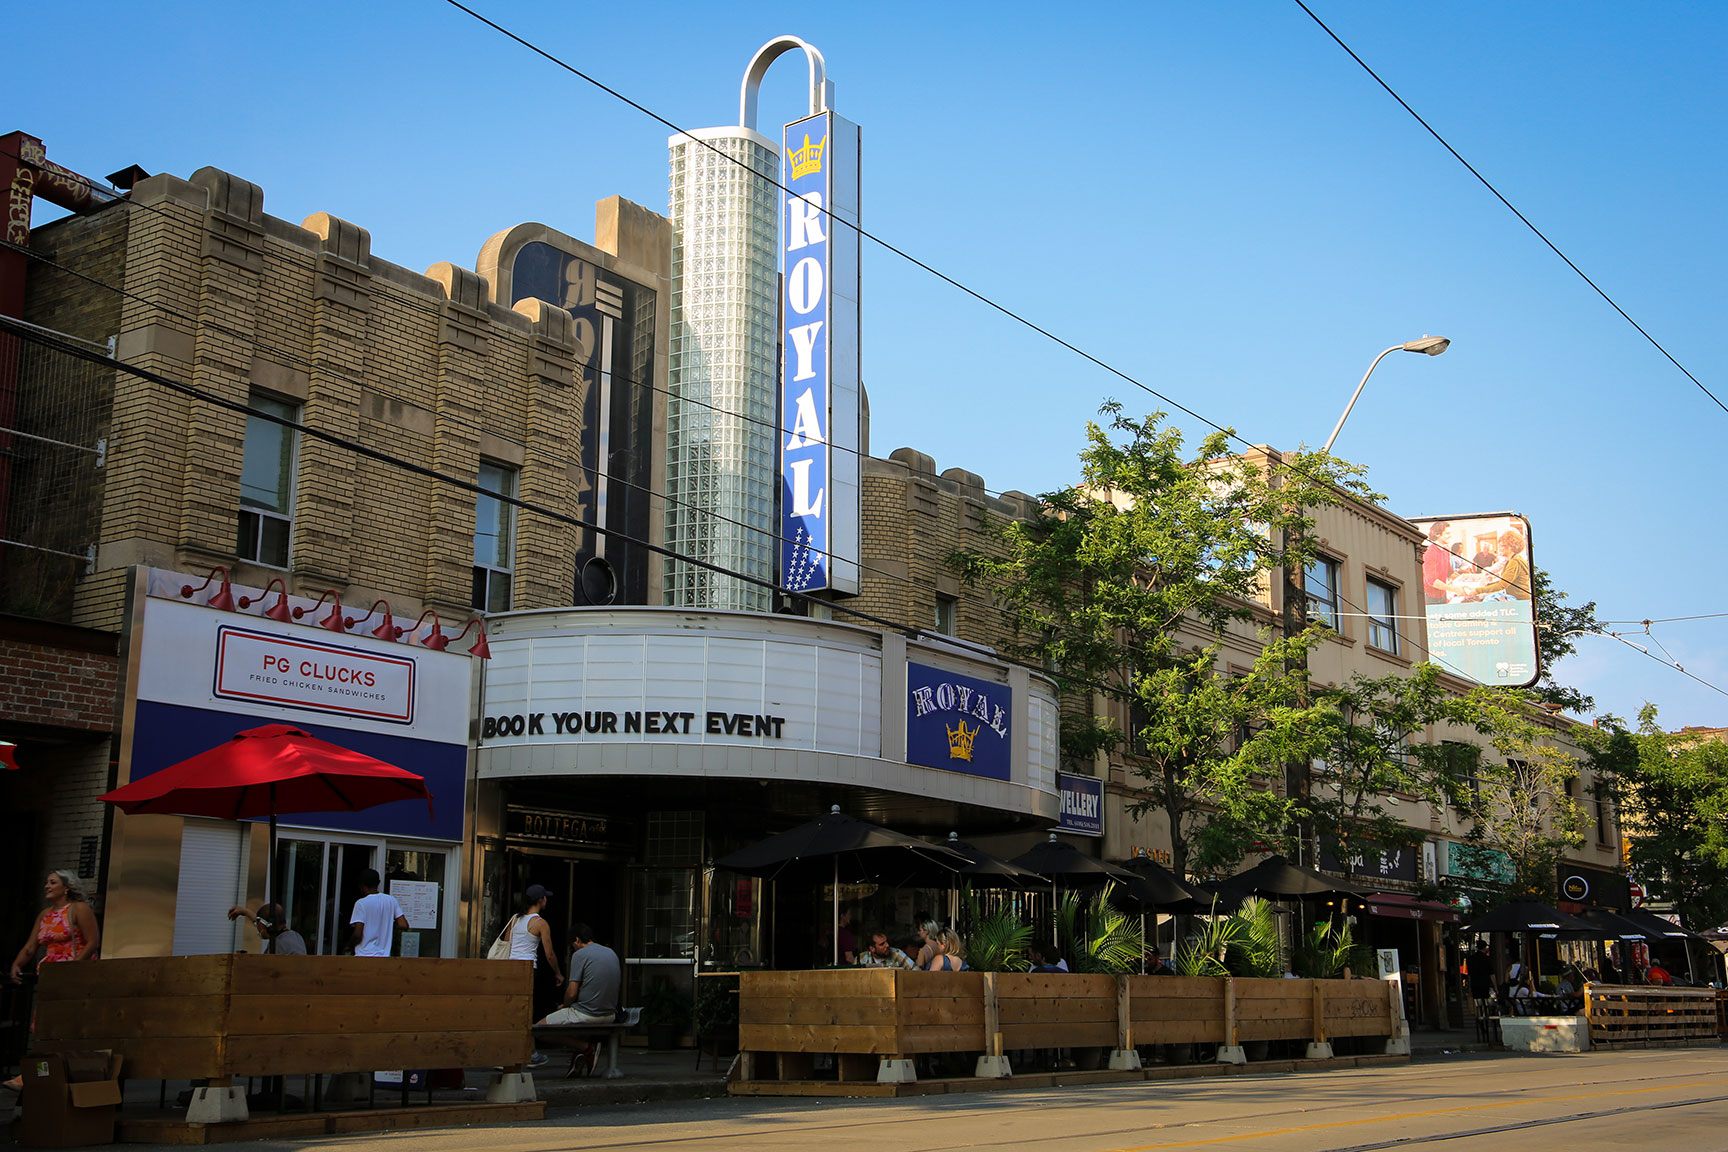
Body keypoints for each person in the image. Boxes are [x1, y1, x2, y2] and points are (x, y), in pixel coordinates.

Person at [6, 870, 100, 1092]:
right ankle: (38, 1073)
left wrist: (73, 966)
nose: (47, 886)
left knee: (64, 1025)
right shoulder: (45, 914)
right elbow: (31, 946)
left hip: (73, 975)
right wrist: (17, 964)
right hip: (50, 976)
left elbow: (93, 941)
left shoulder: (78, 909)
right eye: (46, 882)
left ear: (66, 887)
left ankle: (51, 1073)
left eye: (52, 882)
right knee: (43, 1026)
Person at [508, 885, 564, 1067]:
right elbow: (549, 953)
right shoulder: (540, 923)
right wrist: (558, 973)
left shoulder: (515, 919)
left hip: (510, 969)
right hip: (527, 969)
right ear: (540, 900)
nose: (546, 901)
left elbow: (508, 943)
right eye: (545, 898)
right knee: (526, 1011)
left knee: (514, 1011)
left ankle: (511, 1051)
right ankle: (530, 1053)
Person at [348, 869, 408, 957]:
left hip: (364, 956)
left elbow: (357, 934)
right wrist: (388, 924)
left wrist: (349, 946)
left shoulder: (361, 904)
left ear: (361, 885)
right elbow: (403, 925)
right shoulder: (391, 900)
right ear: (378, 883)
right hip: (384, 956)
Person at [227, 902, 307, 955]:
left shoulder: (278, 946)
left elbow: (263, 970)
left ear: (262, 926)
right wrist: (245, 912)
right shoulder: (296, 937)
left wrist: (245, 960)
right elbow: (262, 922)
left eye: (258, 925)